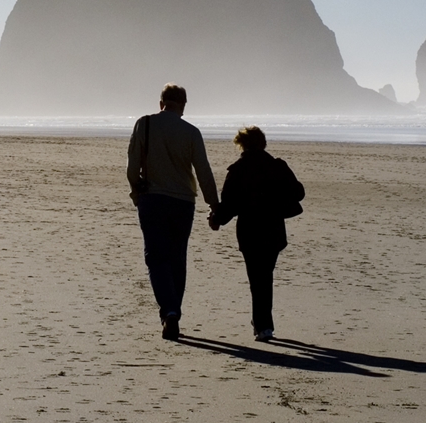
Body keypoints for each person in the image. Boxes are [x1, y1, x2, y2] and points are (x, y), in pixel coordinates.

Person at [126, 84, 218, 340]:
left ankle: (169, 311)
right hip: (183, 202)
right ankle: (174, 309)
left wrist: (136, 193)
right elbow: (203, 170)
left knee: (156, 257)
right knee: (177, 257)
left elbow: (132, 166)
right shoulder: (191, 132)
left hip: (152, 199)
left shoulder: (144, 124)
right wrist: (214, 204)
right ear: (184, 105)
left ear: (161, 103)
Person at [209, 126, 303, 342]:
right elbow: (299, 192)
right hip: (274, 229)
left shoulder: (238, 169)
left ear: (242, 144)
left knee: (257, 277)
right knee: (265, 276)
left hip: (250, 231)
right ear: (263, 143)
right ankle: (263, 323)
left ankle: (263, 325)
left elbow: (229, 204)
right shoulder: (277, 166)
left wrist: (216, 220)